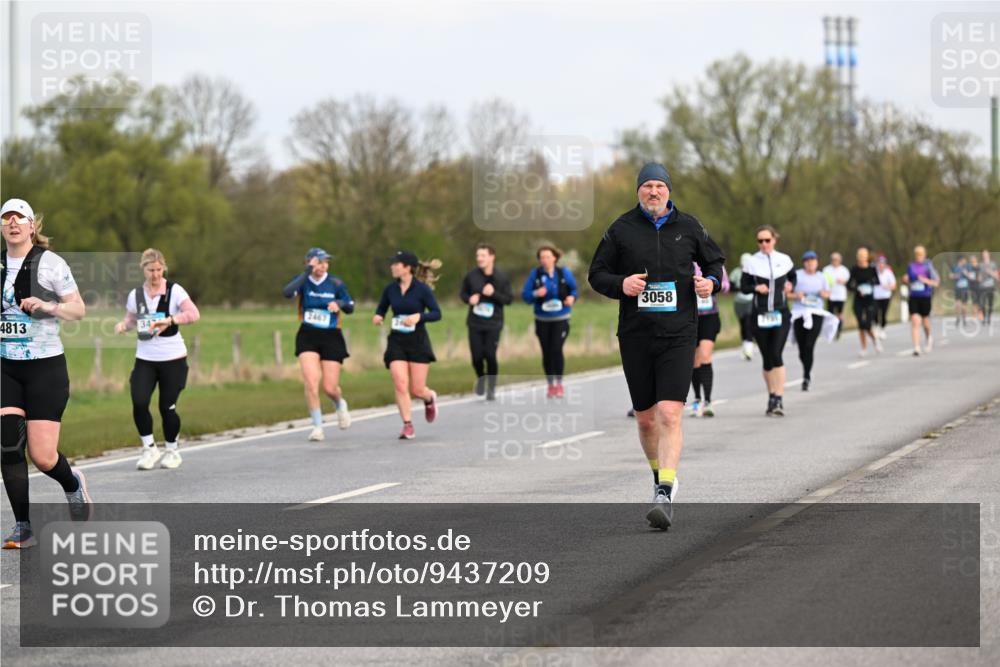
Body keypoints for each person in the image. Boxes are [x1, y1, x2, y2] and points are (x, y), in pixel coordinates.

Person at [588, 162, 724, 530]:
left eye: (659, 186)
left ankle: (664, 490)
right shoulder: (621, 229)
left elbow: (715, 264)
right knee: (647, 419)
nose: (653, 191)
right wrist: (622, 284)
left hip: (680, 333)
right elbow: (596, 274)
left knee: (669, 414)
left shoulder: (690, 226)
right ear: (638, 191)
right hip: (636, 334)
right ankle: (658, 477)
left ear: (668, 190)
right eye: (647, 186)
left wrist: (710, 282)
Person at [1, 198, 91, 548]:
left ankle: (72, 483)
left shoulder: (50, 264)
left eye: (19, 218)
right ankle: (23, 526)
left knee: (42, 456)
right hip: (6, 367)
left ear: (31, 226)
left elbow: (79, 310)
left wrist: (47, 306)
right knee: (9, 444)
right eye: (6, 217)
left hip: (45, 368)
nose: (13, 223)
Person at [114, 249, 201, 469]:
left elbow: (193, 314)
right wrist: (124, 325)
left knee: (167, 407)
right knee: (139, 402)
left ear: (164, 268)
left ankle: (172, 450)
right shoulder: (136, 295)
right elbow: (132, 319)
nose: (155, 274)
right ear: (143, 269)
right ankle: (149, 449)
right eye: (151, 270)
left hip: (173, 358)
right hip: (145, 358)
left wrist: (170, 320)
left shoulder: (175, 291)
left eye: (159, 270)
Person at [282, 247, 354, 442]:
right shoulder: (303, 280)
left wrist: (339, 303)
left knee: (329, 387)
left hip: (331, 335)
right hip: (308, 335)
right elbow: (287, 293)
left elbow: (351, 306)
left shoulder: (335, 283)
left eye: (325, 262)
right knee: (311, 382)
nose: (323, 266)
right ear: (309, 263)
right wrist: (307, 272)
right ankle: (317, 426)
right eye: (319, 262)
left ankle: (340, 404)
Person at [374, 250, 442, 439]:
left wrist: (419, 316)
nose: (392, 267)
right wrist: (378, 316)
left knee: (417, 389)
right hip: (397, 341)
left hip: (418, 341)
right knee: (400, 384)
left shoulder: (422, 290)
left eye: (396, 264)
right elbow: (382, 308)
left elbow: (437, 313)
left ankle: (429, 398)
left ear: (407, 268)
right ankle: (407, 424)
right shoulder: (390, 289)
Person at [741, 225, 795, 416]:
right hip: (760, 314)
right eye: (760, 241)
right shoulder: (751, 262)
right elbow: (743, 287)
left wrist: (790, 285)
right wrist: (756, 289)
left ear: (774, 240)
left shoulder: (785, 260)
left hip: (780, 313)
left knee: (776, 353)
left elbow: (792, 278)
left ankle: (779, 398)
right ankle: (771, 395)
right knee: (766, 357)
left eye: (767, 240)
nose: (764, 244)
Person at [521, 245, 578, 398]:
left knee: (556, 349)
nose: (544, 260)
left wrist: (572, 298)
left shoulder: (563, 273)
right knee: (546, 352)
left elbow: (574, 290)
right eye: (542, 257)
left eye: (547, 256)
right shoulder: (536, 274)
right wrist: (536, 293)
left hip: (561, 318)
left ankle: (559, 384)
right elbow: (525, 296)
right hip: (542, 319)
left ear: (554, 257)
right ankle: (550, 384)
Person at [460, 243, 513, 401]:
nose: (479, 259)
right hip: (475, 323)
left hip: (494, 323)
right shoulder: (471, 276)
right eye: (478, 256)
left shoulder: (501, 277)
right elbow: (463, 294)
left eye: (483, 255)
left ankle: (491, 388)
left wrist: (494, 294)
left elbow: (508, 300)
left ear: (491, 257)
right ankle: (481, 378)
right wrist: (469, 299)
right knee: (476, 357)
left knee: (490, 355)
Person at [790, 251, 837, 391]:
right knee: (801, 348)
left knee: (810, 344)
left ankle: (806, 377)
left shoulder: (822, 277)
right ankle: (807, 368)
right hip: (799, 313)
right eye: (807, 261)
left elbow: (828, 293)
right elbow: (786, 293)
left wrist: (824, 294)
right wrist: (796, 295)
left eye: (813, 261)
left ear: (817, 262)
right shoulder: (797, 275)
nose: (810, 263)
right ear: (804, 263)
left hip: (816, 312)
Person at [690, 261, 729, 417]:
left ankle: (708, 401)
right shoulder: (683, 259)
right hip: (689, 317)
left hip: (709, 316)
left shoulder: (712, 262)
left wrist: (710, 285)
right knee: (694, 360)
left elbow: (725, 285)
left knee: (705, 355)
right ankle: (697, 399)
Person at [902, 245, 940, 356]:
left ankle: (929, 337)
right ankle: (916, 347)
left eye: (921, 254)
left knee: (925, 322)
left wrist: (925, 280)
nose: (919, 256)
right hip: (914, 296)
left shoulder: (929, 267)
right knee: (915, 320)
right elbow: (908, 280)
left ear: (924, 255)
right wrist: (906, 280)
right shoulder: (911, 266)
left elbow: (936, 283)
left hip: (925, 296)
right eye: (917, 254)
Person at [848, 247, 882, 357]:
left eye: (864, 256)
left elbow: (877, 282)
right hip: (858, 300)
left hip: (870, 300)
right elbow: (849, 285)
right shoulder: (854, 269)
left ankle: (875, 339)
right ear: (858, 257)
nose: (862, 259)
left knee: (867, 324)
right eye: (860, 256)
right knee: (861, 325)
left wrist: (869, 285)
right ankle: (864, 348)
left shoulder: (872, 269)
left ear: (867, 257)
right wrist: (857, 289)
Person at [728, 253, 755, 361]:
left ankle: (749, 349)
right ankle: (745, 347)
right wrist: (740, 288)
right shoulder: (736, 272)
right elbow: (730, 287)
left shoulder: (754, 273)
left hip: (750, 301)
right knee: (743, 325)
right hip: (738, 302)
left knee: (748, 324)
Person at [822, 252, 851, 340]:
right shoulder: (826, 269)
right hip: (830, 295)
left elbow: (848, 281)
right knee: (830, 314)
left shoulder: (844, 270)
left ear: (840, 260)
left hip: (840, 295)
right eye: (833, 259)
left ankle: (839, 330)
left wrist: (843, 281)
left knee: (839, 314)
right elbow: (823, 281)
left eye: (837, 260)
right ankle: (831, 330)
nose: (835, 261)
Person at [873, 254, 896, 340]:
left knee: (883, 313)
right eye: (879, 263)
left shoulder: (888, 273)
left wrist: (887, 286)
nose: (881, 265)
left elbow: (894, 285)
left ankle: (882, 329)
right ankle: (876, 327)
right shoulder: (874, 272)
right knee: (875, 313)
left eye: (882, 263)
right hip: (875, 296)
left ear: (885, 264)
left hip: (885, 296)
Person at [950, 255, 972, 326]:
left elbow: (971, 276)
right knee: (958, 304)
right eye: (964, 260)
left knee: (964, 305)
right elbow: (950, 276)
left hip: (965, 288)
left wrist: (966, 273)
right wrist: (956, 276)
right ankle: (958, 318)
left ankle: (964, 319)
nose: (965, 262)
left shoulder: (967, 267)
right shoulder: (955, 267)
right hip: (958, 288)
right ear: (960, 260)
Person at [977, 250, 996, 326]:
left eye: (986, 254)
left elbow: (997, 276)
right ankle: (984, 318)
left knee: (990, 304)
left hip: (990, 286)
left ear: (989, 254)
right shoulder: (980, 265)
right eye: (983, 254)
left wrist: (990, 272)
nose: (984, 255)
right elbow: (978, 276)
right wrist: (979, 278)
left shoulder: (993, 264)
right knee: (982, 304)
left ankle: (989, 318)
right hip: (982, 287)